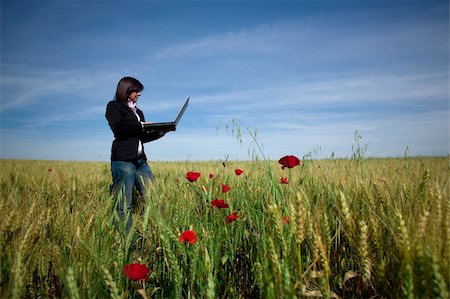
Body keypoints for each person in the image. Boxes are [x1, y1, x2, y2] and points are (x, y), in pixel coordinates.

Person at [105, 76, 170, 233]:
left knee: (154, 199)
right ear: (126, 90)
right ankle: (127, 242)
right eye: (136, 91)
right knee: (124, 204)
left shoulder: (139, 112)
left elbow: (140, 137)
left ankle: (158, 235)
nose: (139, 94)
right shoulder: (114, 107)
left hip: (141, 162)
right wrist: (141, 126)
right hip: (124, 161)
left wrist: (160, 132)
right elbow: (119, 130)